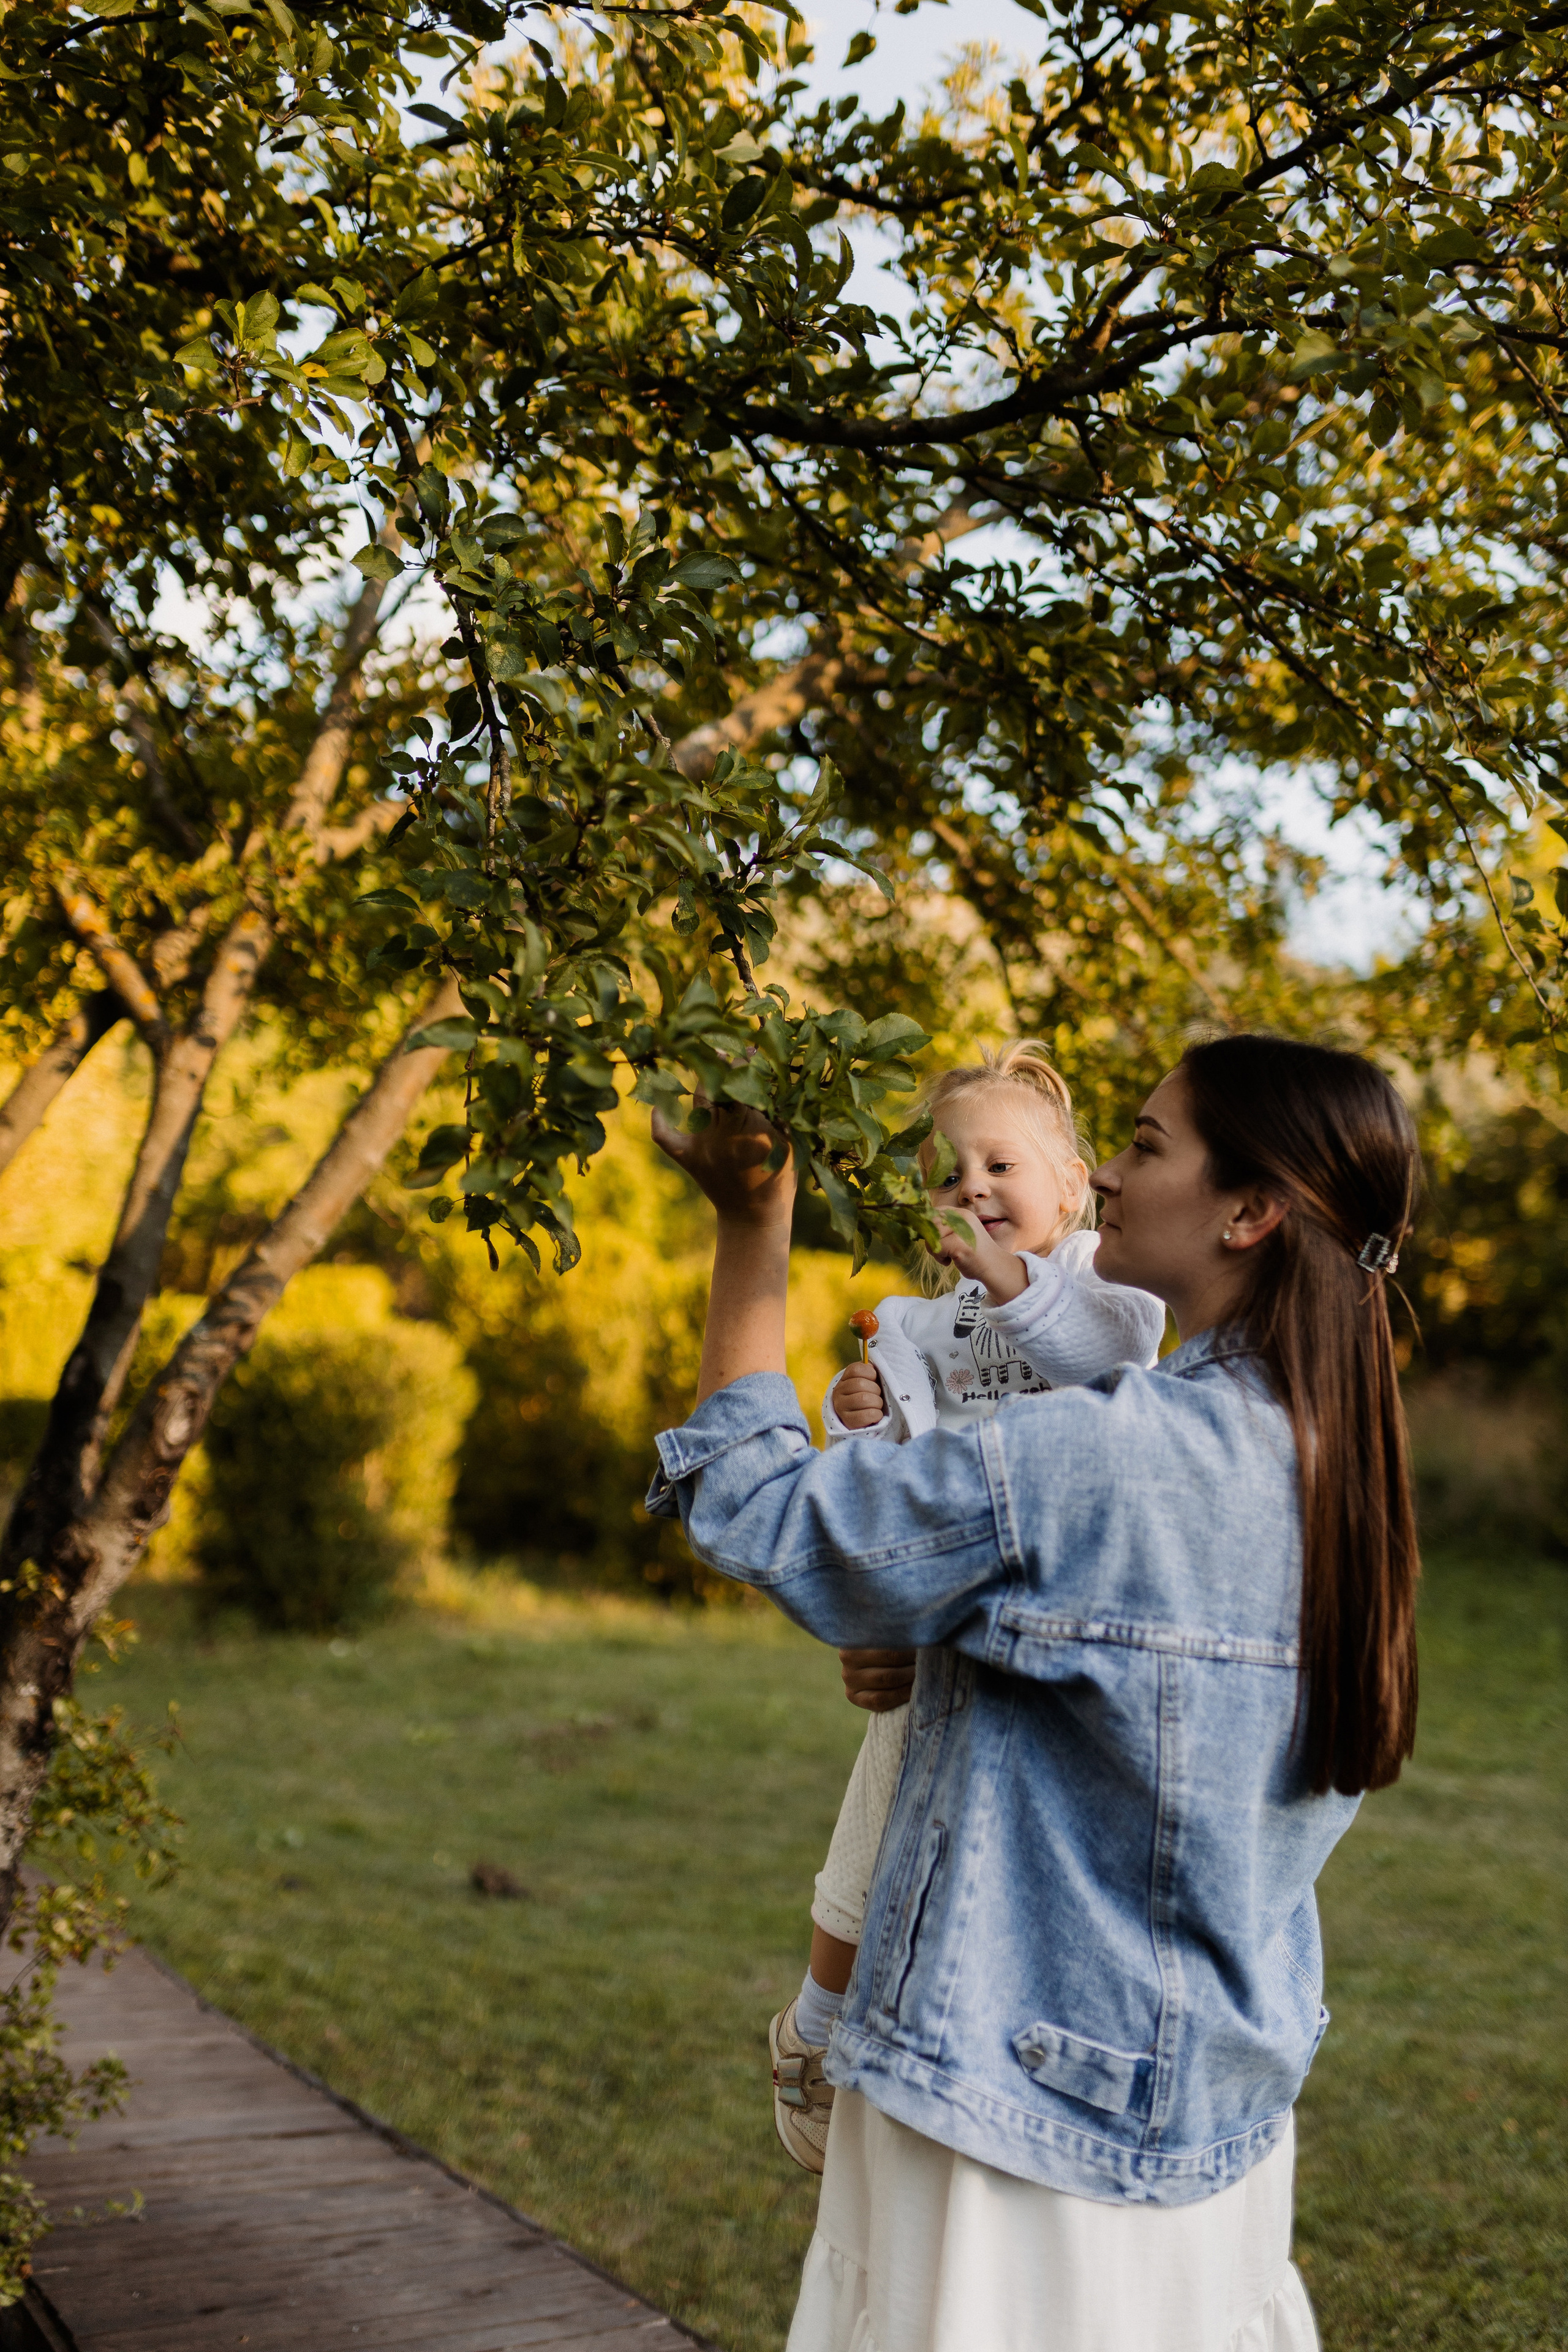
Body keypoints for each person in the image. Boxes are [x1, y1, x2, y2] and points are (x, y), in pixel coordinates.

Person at [649, 1033, 1420, 2352]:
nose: (1109, 1177)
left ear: (1247, 1212)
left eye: (1142, 1144)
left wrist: (750, 1222)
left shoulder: (1105, 1455)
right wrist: (945, 1645)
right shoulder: (1335, 1463)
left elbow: (761, 1511)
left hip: (1008, 2119)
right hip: (1209, 2128)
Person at [776, 1043, 1164, 2173]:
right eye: (949, 1176)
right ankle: (818, 2017)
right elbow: (890, 1463)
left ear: (1075, 1185)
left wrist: (1008, 1284)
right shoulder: (916, 1321)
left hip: (1060, 1619)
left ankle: (971, 2047)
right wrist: (855, 1412)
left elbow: (1112, 1359)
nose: (974, 1189)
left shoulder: (1106, 1284)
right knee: (880, 1806)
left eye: (1001, 1164)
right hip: (951, 1610)